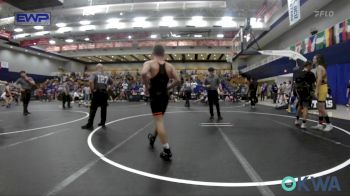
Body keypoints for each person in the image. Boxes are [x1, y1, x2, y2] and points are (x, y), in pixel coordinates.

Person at [141, 45, 180, 161]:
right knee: (160, 120)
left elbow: (143, 73)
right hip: (164, 97)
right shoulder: (170, 66)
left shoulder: (149, 63)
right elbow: (178, 80)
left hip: (155, 96)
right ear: (164, 53)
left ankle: (167, 150)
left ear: (153, 53)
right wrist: (168, 89)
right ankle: (153, 137)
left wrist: (147, 87)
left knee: (159, 121)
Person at [82, 64, 113, 129]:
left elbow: (90, 82)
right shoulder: (107, 75)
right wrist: (107, 89)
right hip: (104, 93)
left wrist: (93, 90)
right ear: (102, 68)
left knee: (93, 109)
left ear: (97, 68)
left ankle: (90, 124)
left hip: (97, 93)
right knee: (103, 109)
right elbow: (111, 83)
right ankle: (102, 123)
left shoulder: (94, 74)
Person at [311, 54, 333, 131]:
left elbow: (320, 80)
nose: (312, 60)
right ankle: (320, 124)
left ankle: (329, 124)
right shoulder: (319, 67)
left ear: (317, 60)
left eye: (314, 58)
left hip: (322, 88)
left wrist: (316, 90)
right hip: (321, 87)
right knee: (319, 108)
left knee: (322, 108)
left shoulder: (319, 67)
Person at [294, 61, 316, 129]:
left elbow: (295, 83)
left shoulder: (299, 73)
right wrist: (314, 92)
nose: (312, 67)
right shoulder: (311, 74)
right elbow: (313, 85)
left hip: (300, 93)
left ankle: (296, 120)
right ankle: (303, 124)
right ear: (308, 66)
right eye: (311, 66)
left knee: (300, 106)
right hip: (307, 93)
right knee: (305, 107)